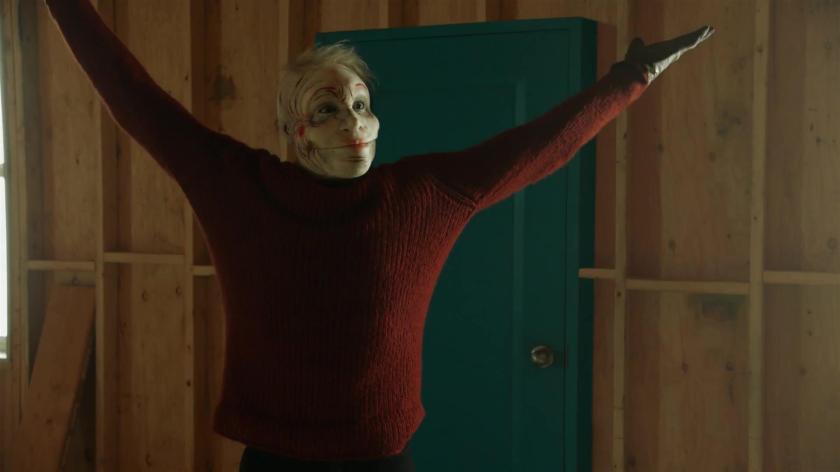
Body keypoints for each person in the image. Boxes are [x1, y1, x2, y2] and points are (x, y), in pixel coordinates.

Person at [43, 0, 714, 470]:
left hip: (380, 459)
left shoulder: (424, 194)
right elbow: (136, 99)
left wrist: (630, 78)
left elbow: (540, 147)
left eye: (362, 106)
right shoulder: (236, 187)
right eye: (328, 110)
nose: (353, 124)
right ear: (295, 133)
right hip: (274, 459)